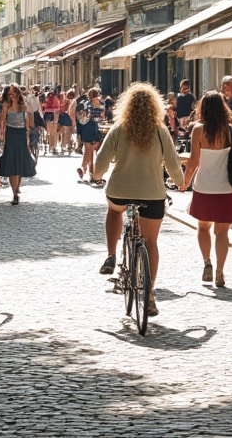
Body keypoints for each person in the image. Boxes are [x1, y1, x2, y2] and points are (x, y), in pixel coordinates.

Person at [92, 82, 184, 317]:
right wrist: (180, 181)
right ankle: (150, 294)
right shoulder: (160, 130)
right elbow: (173, 163)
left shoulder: (119, 128)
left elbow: (101, 160)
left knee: (115, 211)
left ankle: (111, 255)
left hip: (121, 189)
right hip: (153, 193)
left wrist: (97, 175)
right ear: (156, 106)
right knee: (150, 242)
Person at [181, 90, 232, 288]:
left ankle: (207, 262)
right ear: (224, 109)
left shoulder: (198, 130)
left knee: (203, 227)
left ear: (202, 109)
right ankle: (220, 272)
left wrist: (185, 182)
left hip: (204, 186)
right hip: (226, 187)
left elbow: (193, 161)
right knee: (222, 233)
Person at [0, 84, 36, 204]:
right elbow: (2, 123)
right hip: (11, 136)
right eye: (10, 94)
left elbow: (28, 126)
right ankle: (14, 193)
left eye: (14, 94)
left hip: (21, 136)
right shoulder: (6, 107)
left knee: (19, 163)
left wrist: (28, 141)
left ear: (18, 94)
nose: (12, 96)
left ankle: (17, 188)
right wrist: (2, 138)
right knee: (11, 163)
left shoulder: (24, 107)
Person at [75, 87, 105, 182]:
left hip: (87, 129)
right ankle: (90, 174)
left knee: (88, 150)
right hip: (93, 128)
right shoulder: (94, 105)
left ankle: (84, 169)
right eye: (96, 97)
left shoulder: (86, 104)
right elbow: (100, 117)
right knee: (90, 151)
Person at [57, 89, 75, 154]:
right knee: (66, 133)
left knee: (63, 133)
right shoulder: (68, 102)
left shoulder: (64, 102)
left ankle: (63, 145)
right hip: (65, 117)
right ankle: (66, 145)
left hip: (62, 117)